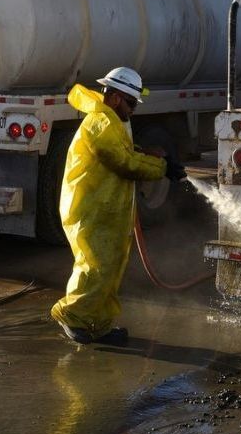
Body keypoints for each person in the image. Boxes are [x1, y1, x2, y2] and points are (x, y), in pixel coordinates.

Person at [49, 67, 186, 345]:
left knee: (109, 269)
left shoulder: (112, 120)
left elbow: (124, 152)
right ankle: (73, 317)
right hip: (89, 209)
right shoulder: (102, 121)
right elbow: (122, 162)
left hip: (105, 209)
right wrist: (161, 167)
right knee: (94, 267)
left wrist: (148, 153)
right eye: (131, 102)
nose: (133, 109)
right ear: (113, 97)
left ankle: (97, 325)